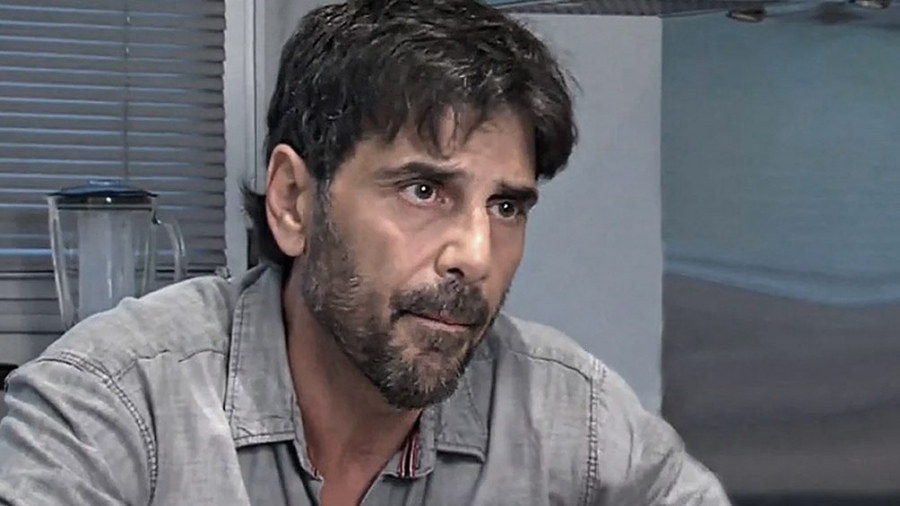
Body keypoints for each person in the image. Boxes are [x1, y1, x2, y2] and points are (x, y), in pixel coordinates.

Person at [0, 0, 730, 504]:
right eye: (423, 190)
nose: (476, 255)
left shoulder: (576, 417)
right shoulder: (113, 409)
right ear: (293, 201)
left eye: (506, 206)